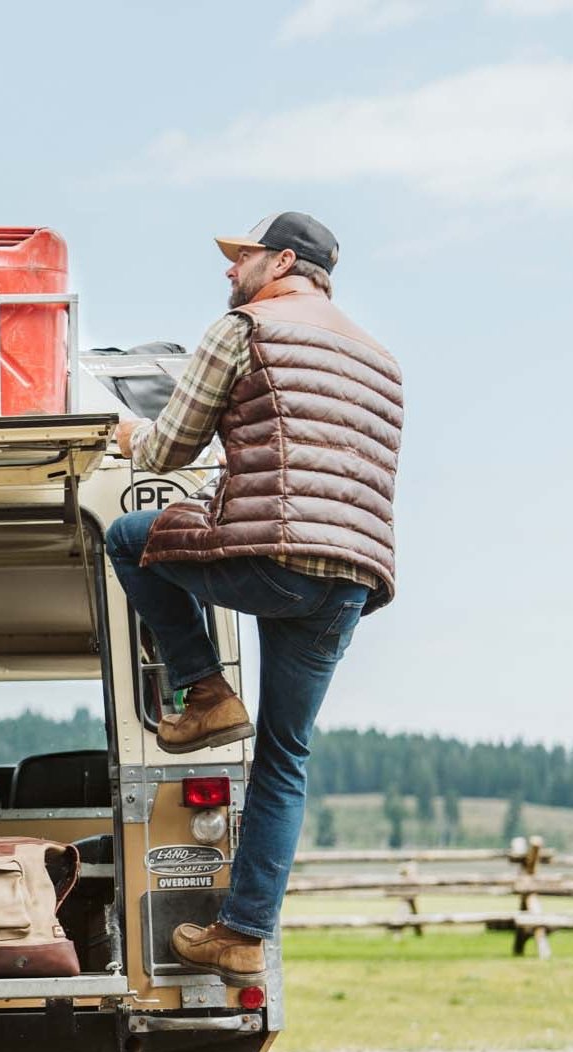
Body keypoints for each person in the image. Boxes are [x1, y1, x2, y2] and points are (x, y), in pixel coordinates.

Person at [105, 212, 402, 985]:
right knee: (285, 756)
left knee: (130, 536)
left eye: (241, 257)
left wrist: (127, 432)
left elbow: (171, 448)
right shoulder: (378, 359)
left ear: (281, 261)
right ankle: (242, 932)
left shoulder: (244, 329)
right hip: (349, 576)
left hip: (271, 550)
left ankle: (204, 689)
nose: (228, 270)